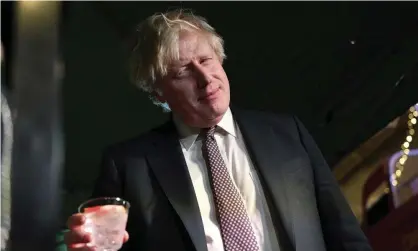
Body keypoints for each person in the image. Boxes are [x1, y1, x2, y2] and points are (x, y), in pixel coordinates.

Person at [65, 9, 372, 251]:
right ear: (158, 92)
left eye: (206, 60)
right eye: (184, 70)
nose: (205, 78)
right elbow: (102, 245)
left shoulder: (287, 133)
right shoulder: (128, 166)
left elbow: (343, 231)